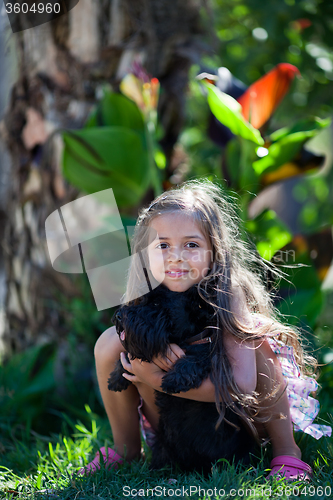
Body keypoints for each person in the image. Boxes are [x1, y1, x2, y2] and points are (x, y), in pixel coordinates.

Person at [78, 180, 331, 479]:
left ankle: (286, 452)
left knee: (257, 342)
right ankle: (126, 447)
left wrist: (155, 378)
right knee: (111, 342)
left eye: (192, 245)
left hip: (236, 419)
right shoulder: (145, 293)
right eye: (162, 245)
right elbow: (124, 347)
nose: (176, 256)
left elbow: (242, 387)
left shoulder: (227, 293)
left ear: (214, 251)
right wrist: (146, 359)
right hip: (174, 423)